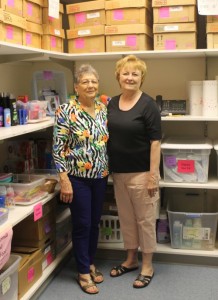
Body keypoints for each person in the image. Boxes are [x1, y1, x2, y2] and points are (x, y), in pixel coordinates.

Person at [52, 64, 109, 295]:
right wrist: (64, 180)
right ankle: (83, 271)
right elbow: (58, 148)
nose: (90, 85)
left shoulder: (103, 108)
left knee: (95, 222)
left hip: (100, 176)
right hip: (77, 178)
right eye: (85, 82)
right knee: (82, 223)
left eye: (94, 81)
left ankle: (90, 261)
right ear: (76, 86)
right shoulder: (66, 110)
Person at [107, 55, 162, 289]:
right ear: (118, 76)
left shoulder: (148, 105)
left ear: (142, 78)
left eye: (135, 74)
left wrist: (153, 175)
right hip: (119, 173)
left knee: (145, 220)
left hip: (142, 174)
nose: (130, 78)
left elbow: (155, 142)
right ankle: (130, 259)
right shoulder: (112, 102)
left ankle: (147, 265)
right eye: (126, 73)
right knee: (127, 219)